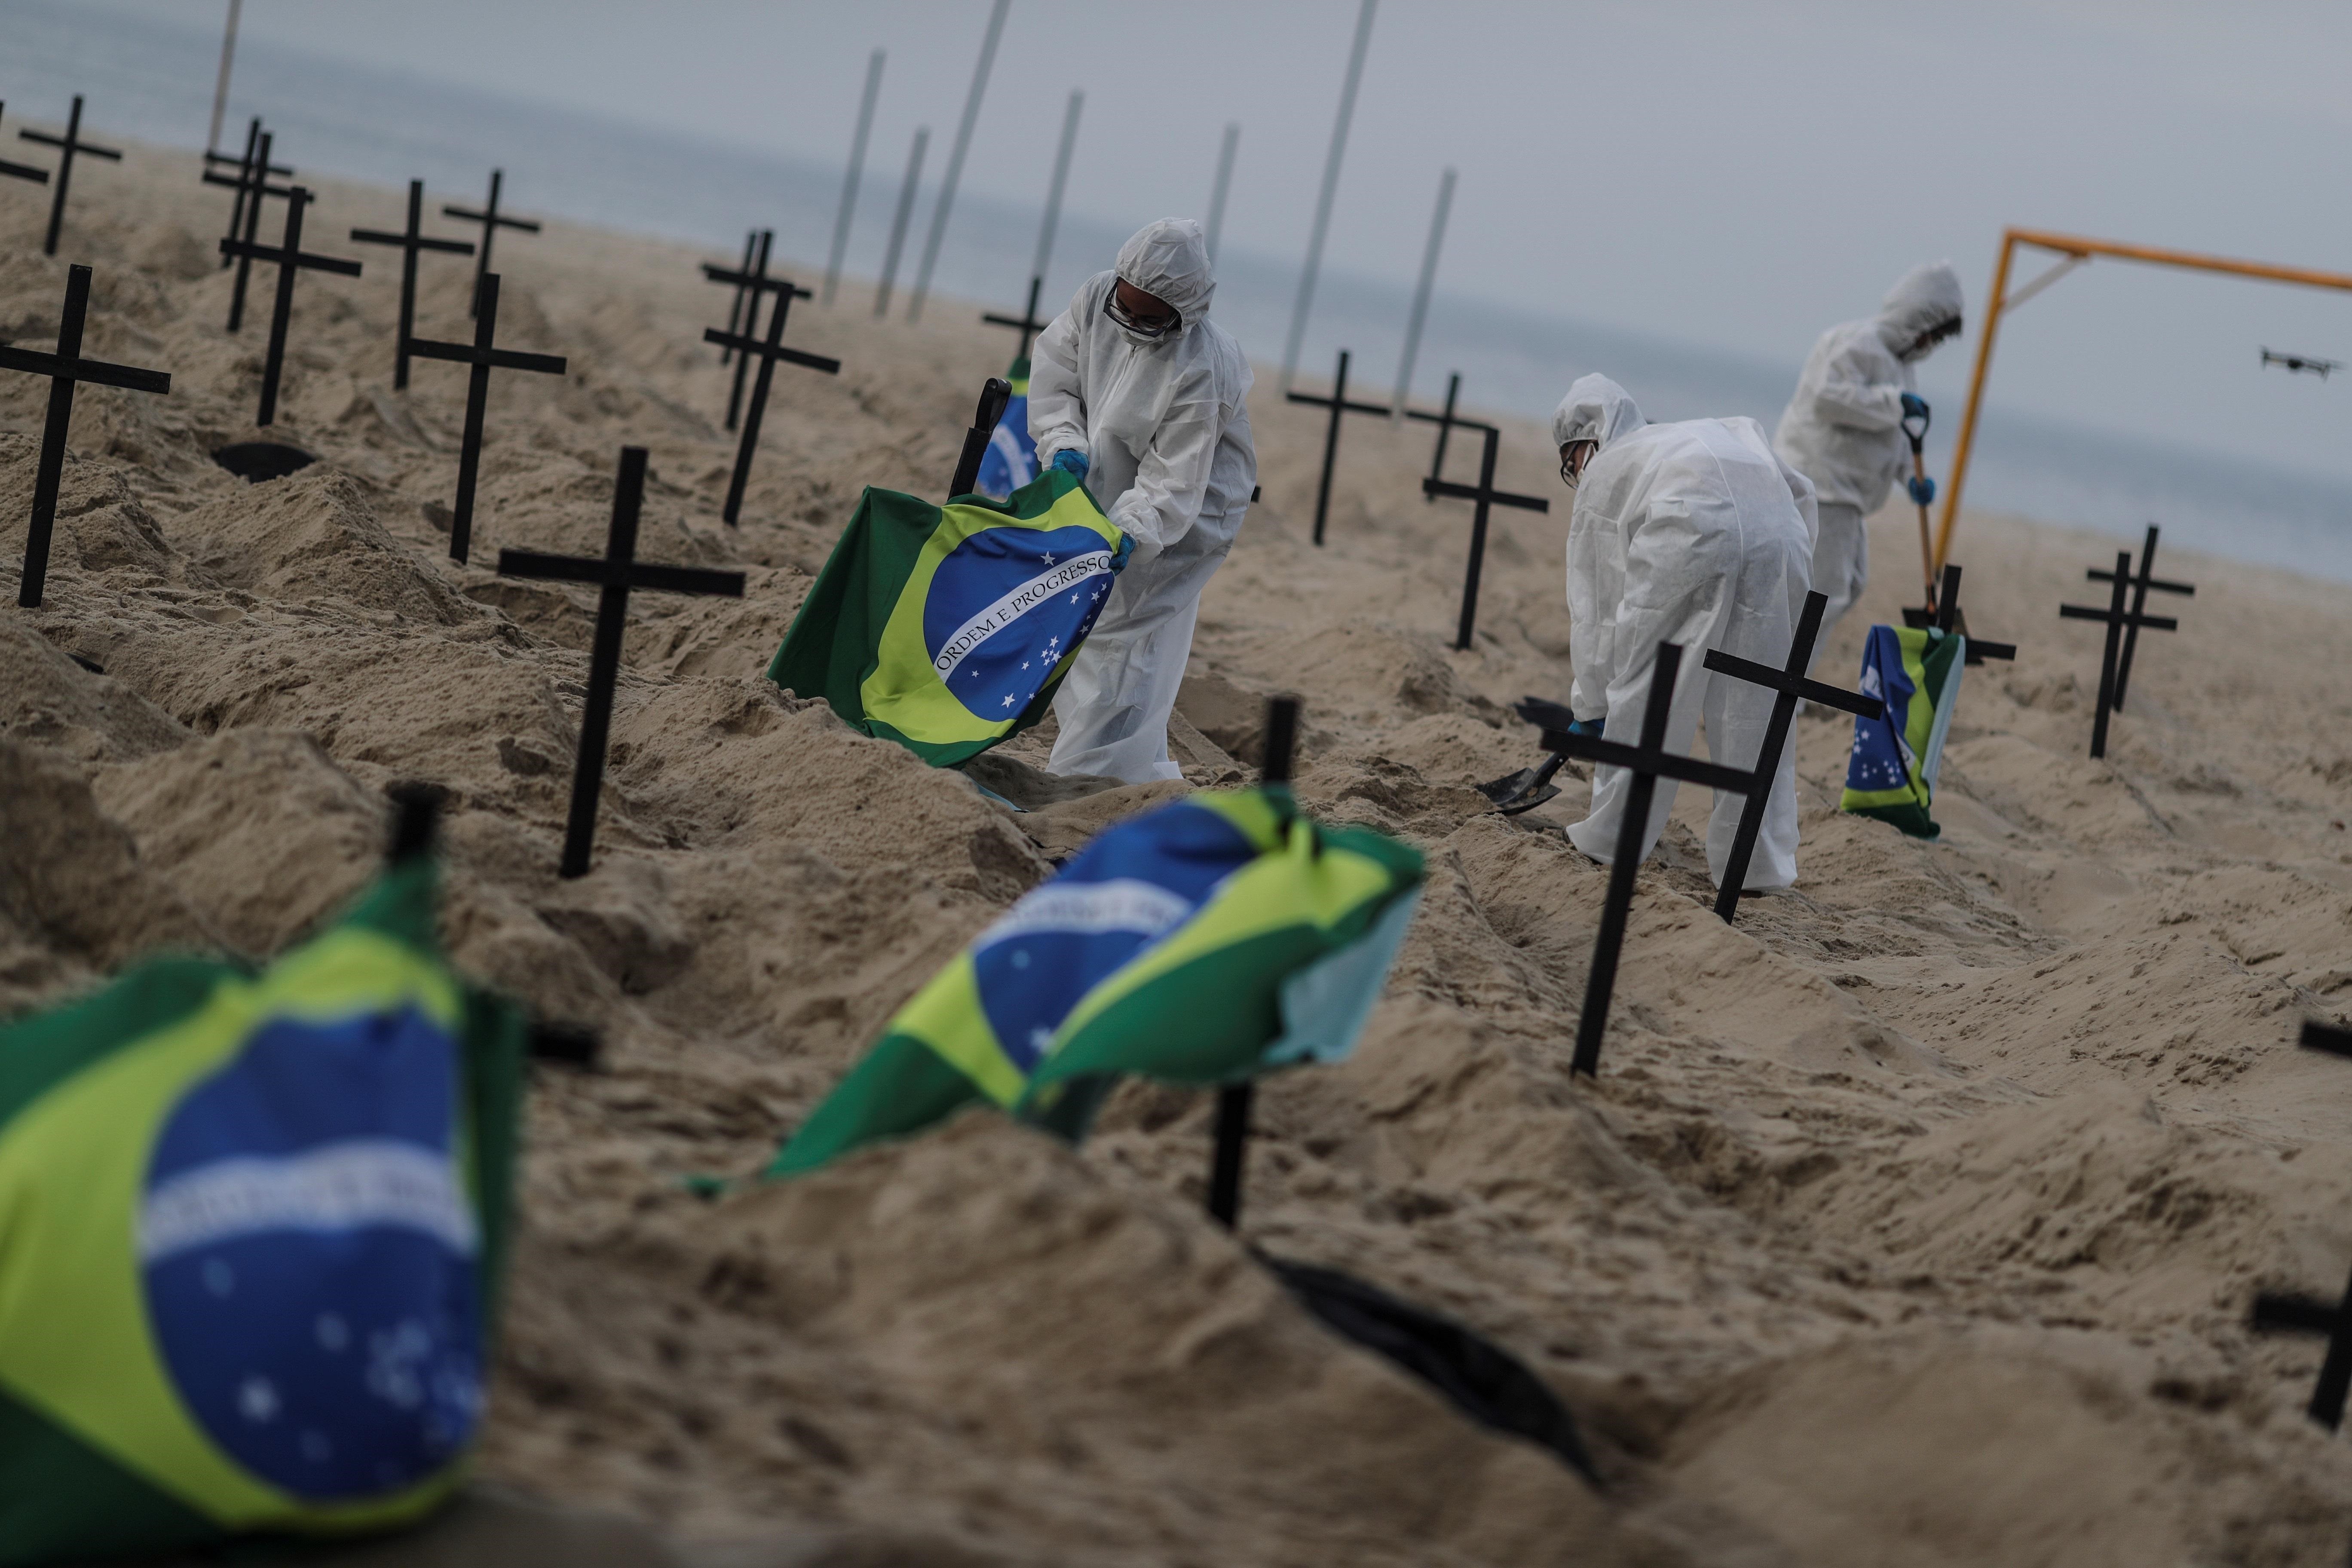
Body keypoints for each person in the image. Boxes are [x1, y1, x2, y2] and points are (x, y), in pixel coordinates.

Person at [1556, 374, 1818, 890]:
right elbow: (1802, 492)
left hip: (1690, 530)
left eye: (1571, 463)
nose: (1576, 473)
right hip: (1782, 540)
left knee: (1651, 685)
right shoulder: (1713, 432)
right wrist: (1793, 581)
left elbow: (1599, 609)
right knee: (1757, 705)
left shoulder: (1610, 469)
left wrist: (1591, 707)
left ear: (1587, 442)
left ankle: (1615, 839)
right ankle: (1757, 867)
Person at [1029, 218, 1257, 783]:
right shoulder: (1096, 297)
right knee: (1084, 633)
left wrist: (1136, 526)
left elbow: (1174, 479)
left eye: (1149, 318)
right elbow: (1056, 377)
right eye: (1124, 310)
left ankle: (1086, 785)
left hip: (1186, 515)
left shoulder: (1203, 364)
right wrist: (1062, 442)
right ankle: (1141, 781)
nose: (1130, 325)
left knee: (1129, 648)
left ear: (1184, 313)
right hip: (1101, 488)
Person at [1771, 262, 1965, 655]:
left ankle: (1789, 685)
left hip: (1848, 496)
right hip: (1820, 483)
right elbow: (1828, 397)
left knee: (1850, 586)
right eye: (1933, 335)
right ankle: (1779, 686)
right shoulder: (1856, 343)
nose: (1932, 346)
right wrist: (1895, 403)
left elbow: (1891, 436)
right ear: (1917, 320)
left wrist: (1908, 476)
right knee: (1820, 595)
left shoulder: (1902, 367)